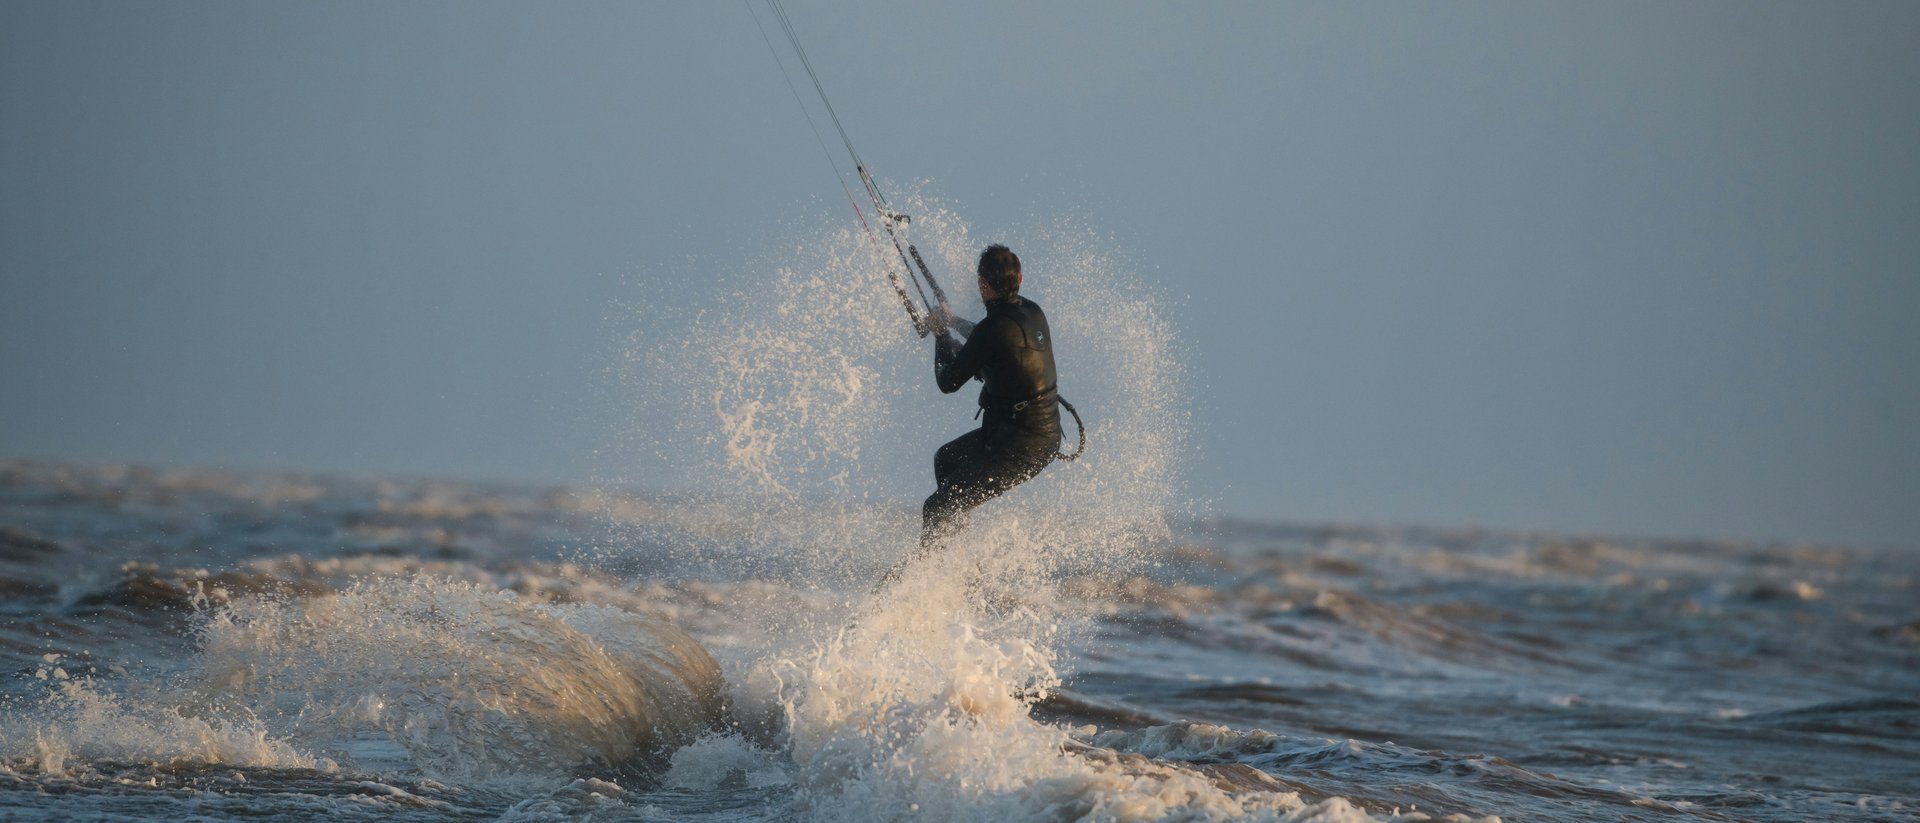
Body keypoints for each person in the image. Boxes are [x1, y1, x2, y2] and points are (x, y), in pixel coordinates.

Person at [911, 244, 1063, 558]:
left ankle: (925, 571)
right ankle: (953, 552)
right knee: (947, 460)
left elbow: (948, 381)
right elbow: (991, 340)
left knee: (937, 505)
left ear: (983, 285)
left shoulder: (994, 330)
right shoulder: (1032, 311)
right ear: (1020, 278)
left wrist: (940, 336)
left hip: (1021, 446)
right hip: (1025, 434)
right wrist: (952, 322)